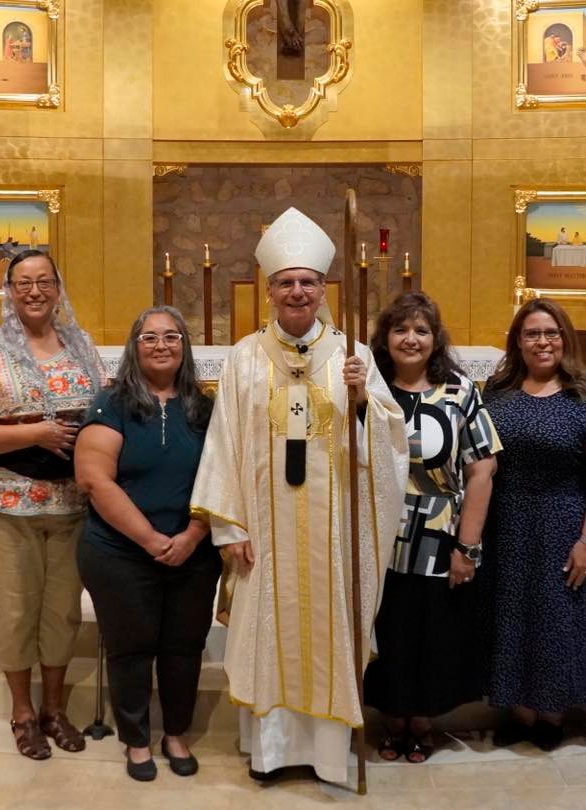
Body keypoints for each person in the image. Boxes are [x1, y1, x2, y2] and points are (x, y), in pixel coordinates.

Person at [189, 207, 407, 784]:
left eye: (308, 282)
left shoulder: (351, 357)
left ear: (322, 289)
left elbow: (389, 442)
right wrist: (230, 529)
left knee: (327, 629)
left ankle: (328, 756)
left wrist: (364, 404)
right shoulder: (242, 358)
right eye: (286, 282)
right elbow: (225, 444)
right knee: (268, 630)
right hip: (264, 531)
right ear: (269, 291)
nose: (297, 291)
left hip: (335, 534)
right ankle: (272, 753)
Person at [0, 250, 104, 761]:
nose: (34, 291)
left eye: (44, 282)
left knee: (62, 612)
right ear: (10, 292)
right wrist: (36, 432)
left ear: (58, 288)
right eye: (23, 283)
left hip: (72, 504)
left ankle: (54, 709)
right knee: (16, 611)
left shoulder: (81, 348)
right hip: (5, 504)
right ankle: (22, 710)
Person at [74, 306, 219, 782]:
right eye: (149, 337)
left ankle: (175, 733)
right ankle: (136, 740)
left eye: (172, 336)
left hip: (193, 551)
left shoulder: (205, 406)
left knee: (184, 646)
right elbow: (94, 479)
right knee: (130, 647)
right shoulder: (111, 402)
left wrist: (193, 535)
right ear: (134, 347)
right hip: (119, 551)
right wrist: (152, 539)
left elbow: (225, 478)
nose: (161, 344)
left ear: (185, 346)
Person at [361, 292, 501, 763]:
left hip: (440, 532)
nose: (411, 339)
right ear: (385, 338)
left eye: (421, 330)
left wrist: (468, 546)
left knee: (432, 632)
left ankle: (422, 721)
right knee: (390, 630)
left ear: (435, 339)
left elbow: (482, 470)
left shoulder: (460, 391)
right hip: (379, 533)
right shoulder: (372, 391)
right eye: (400, 329)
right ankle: (391, 717)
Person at [483, 298, 586, 751]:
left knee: (558, 618)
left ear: (565, 339)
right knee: (511, 615)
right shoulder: (496, 394)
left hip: (565, 520)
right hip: (507, 520)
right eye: (532, 334)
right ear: (517, 342)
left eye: (551, 333)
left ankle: (550, 714)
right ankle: (517, 709)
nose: (542, 342)